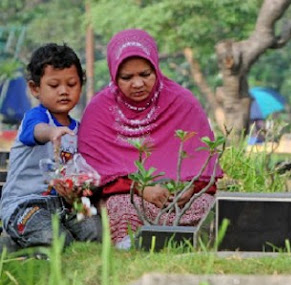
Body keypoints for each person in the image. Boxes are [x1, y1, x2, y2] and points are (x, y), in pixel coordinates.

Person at [78, 29, 223, 249]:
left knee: (206, 205)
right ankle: (133, 246)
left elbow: (204, 165)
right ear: (114, 75)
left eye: (145, 74)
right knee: (121, 207)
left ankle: (195, 242)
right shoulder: (100, 111)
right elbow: (94, 175)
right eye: (127, 77)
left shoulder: (182, 102)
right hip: (131, 197)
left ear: (156, 68)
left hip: (180, 199)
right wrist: (140, 189)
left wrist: (190, 188)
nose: (137, 84)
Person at [0, 43, 102, 249]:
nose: (64, 91)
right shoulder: (35, 118)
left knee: (97, 231)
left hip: (70, 203)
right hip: (26, 205)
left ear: (80, 85)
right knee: (56, 238)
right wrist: (52, 132)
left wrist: (83, 190)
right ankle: (14, 245)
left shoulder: (80, 130)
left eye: (71, 84)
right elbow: (36, 131)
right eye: (54, 86)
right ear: (35, 88)